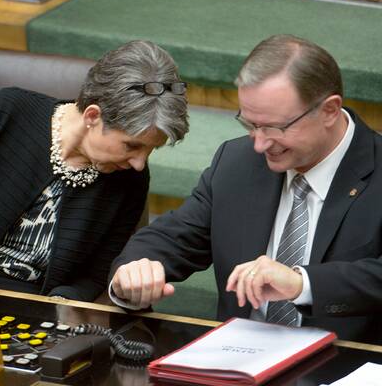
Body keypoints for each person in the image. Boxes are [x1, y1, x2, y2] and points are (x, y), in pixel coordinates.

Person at [109, 34, 382, 343]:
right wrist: (134, 270)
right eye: (250, 125)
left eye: (275, 128)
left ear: (330, 110)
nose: (260, 142)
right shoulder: (237, 161)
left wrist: (301, 283)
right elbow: (176, 235)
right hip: (240, 360)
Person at [0, 40, 189, 301]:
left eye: (150, 151)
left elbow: (98, 274)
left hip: (37, 311)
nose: (139, 163)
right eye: (131, 146)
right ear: (92, 116)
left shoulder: (131, 179)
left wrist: (63, 304)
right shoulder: (6, 113)